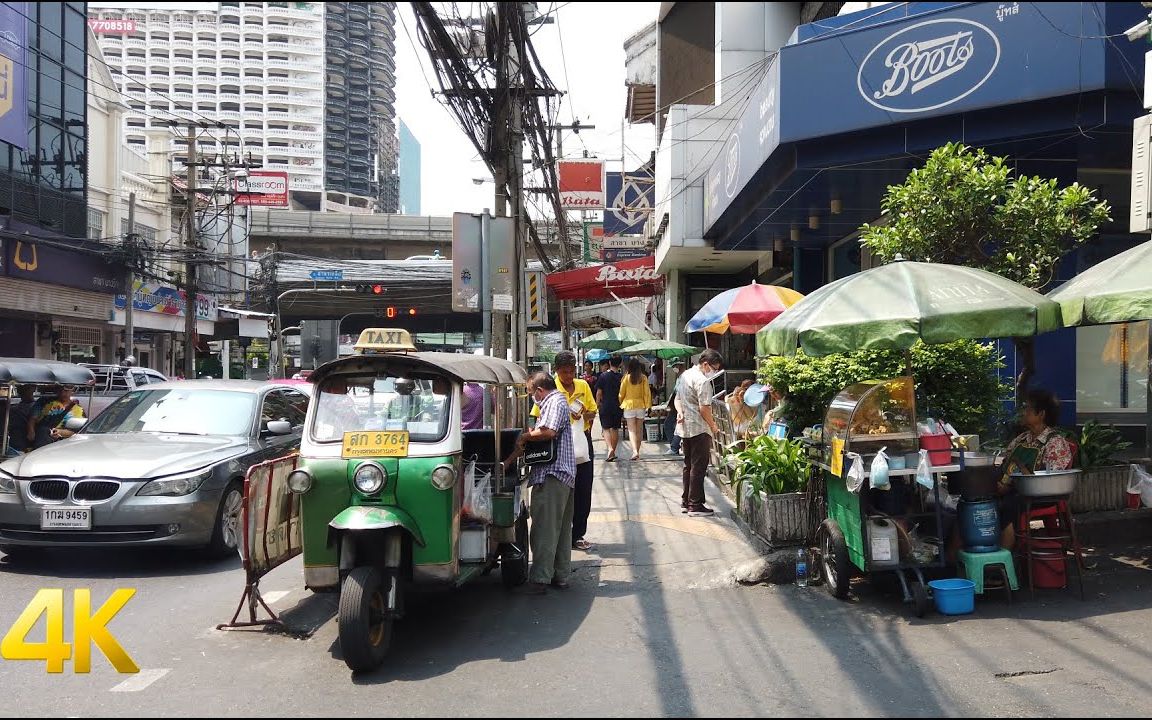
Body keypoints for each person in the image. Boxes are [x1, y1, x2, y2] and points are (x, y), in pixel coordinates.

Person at [500, 373, 576, 595]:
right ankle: (559, 575)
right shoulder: (559, 401)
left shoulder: (553, 401)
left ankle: (541, 578)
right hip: (563, 474)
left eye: (532, 393)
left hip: (552, 475)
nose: (533, 397)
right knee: (560, 530)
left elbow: (548, 431)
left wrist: (525, 436)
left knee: (544, 528)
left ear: (540, 391)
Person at [994, 388, 1076, 550]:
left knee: (1008, 506)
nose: (1024, 412)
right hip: (1014, 489)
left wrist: (1011, 484)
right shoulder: (1022, 438)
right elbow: (1005, 463)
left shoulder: (1055, 443)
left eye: (1028, 408)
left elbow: (1048, 480)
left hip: (1041, 495)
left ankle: (1005, 558)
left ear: (1041, 414)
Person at [534, 351, 597, 552]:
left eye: (571, 372)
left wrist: (583, 413)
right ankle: (563, 534)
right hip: (559, 444)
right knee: (561, 491)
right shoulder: (551, 389)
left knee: (583, 489)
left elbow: (593, 410)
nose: (569, 376)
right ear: (556, 371)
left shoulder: (583, 386)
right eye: (564, 372)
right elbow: (536, 415)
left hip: (582, 442)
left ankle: (578, 534)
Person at [679, 349, 724, 516]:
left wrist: (680, 412)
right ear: (705, 364)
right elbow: (704, 408)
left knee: (688, 465)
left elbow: (678, 398)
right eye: (714, 368)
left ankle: (686, 501)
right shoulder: (702, 381)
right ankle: (695, 505)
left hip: (686, 428)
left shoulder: (685, 375)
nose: (715, 371)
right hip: (699, 428)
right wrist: (713, 426)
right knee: (698, 467)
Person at [618, 357, 653, 461]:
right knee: (639, 430)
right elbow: (647, 393)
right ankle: (637, 451)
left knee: (631, 430)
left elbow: (621, 393)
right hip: (640, 405)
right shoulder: (643, 378)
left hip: (628, 405)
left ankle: (634, 451)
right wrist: (648, 406)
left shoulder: (626, 378)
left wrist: (621, 402)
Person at [594, 356, 625, 462]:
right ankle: (613, 452)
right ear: (620, 364)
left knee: (606, 428)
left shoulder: (603, 376)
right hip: (618, 406)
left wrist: (597, 404)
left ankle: (610, 448)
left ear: (610, 362)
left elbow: (599, 392)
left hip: (606, 405)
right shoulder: (622, 377)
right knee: (615, 429)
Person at [4, 384, 37, 456]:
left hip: (30, 446)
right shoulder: (13, 409)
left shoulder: (40, 407)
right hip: (16, 446)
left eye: (28, 388)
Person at [662, 360, 685, 456]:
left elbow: (679, 392)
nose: (673, 369)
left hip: (682, 405)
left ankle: (674, 447)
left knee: (676, 426)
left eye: (674, 366)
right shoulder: (679, 378)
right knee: (669, 425)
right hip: (676, 405)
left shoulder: (684, 378)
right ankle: (674, 446)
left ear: (679, 366)